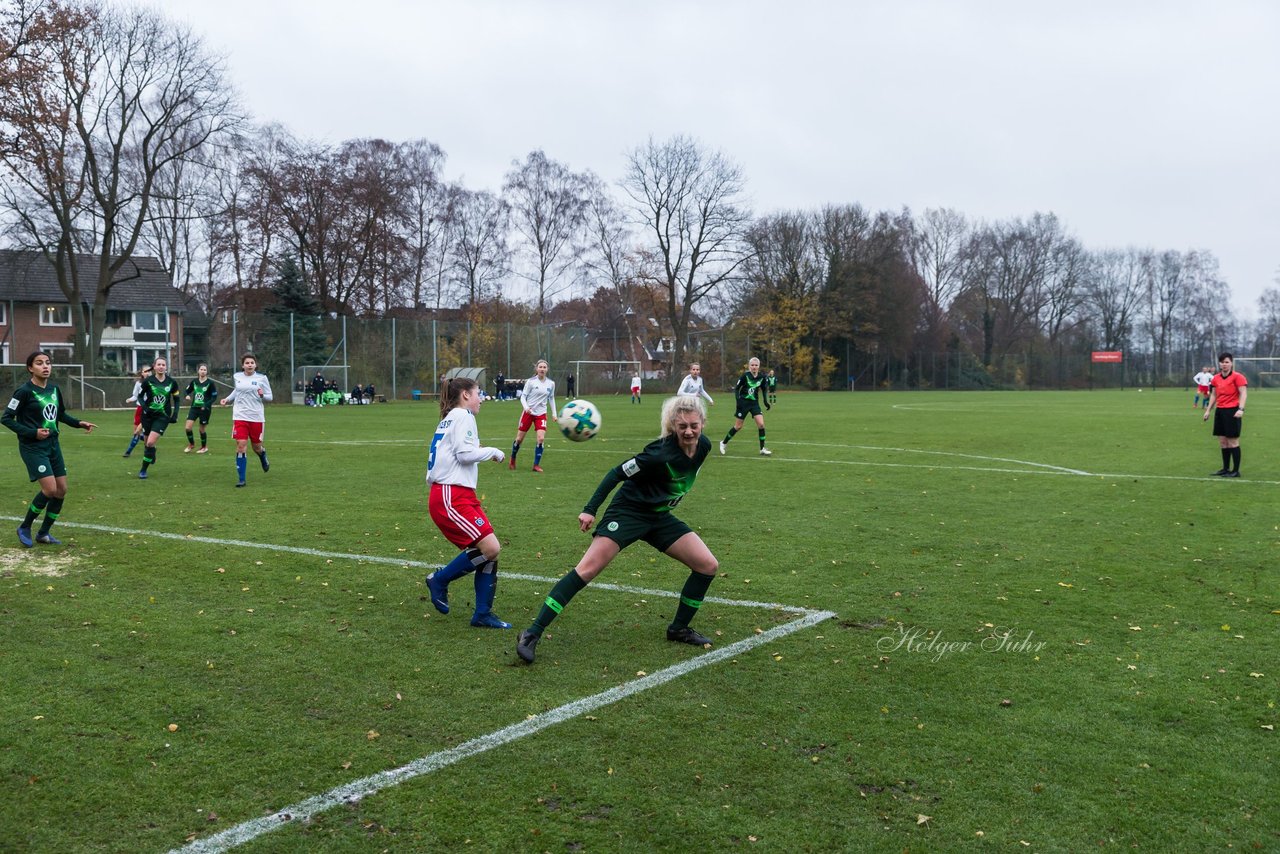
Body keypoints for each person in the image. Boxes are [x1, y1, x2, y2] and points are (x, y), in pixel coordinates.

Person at [517, 395, 718, 664]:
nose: (689, 431)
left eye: (694, 425)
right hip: (628, 513)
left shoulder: (704, 446)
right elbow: (616, 474)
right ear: (672, 426)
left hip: (659, 517)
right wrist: (590, 508)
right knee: (587, 569)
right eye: (682, 426)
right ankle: (532, 633)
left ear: (703, 423)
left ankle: (679, 629)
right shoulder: (657, 454)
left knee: (707, 565)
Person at [424, 377, 511, 629]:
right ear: (464, 395)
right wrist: (493, 451)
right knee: (491, 548)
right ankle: (439, 580)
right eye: (478, 393)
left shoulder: (450, 417)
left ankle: (483, 614)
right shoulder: (463, 416)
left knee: (489, 551)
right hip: (451, 496)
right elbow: (464, 455)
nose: (481, 398)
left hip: (455, 494)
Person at [2, 350, 97, 546]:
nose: (45, 366)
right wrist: (32, 432)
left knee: (61, 490)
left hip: (53, 445)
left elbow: (60, 414)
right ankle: (25, 527)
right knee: (50, 489)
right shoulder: (23, 392)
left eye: (47, 362)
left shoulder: (54, 389)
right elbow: (5, 418)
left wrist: (79, 423)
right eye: (39, 363)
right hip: (33, 447)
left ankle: (43, 533)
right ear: (30, 368)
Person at [220, 354, 273, 488]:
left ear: (255, 365)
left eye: (252, 362)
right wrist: (227, 399)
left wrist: (262, 395)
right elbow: (237, 391)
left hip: (256, 417)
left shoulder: (262, 378)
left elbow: (270, 397)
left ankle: (262, 455)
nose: (249, 365)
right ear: (243, 365)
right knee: (241, 445)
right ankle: (241, 479)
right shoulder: (237, 376)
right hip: (240, 415)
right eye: (247, 363)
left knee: (256, 447)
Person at [1202, 352, 1247, 478]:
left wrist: (1241, 409)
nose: (1224, 364)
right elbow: (1214, 395)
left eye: (1227, 362)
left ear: (1231, 363)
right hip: (1220, 411)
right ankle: (1225, 468)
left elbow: (1243, 393)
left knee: (1233, 441)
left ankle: (1235, 471)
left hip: (1232, 411)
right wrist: (1208, 411)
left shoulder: (1238, 377)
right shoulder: (1215, 378)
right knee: (1222, 441)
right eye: (1222, 362)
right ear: (1219, 364)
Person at [136, 357, 180, 479]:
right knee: (147, 444)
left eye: (163, 365)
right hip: (147, 416)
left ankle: (143, 470)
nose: (161, 366)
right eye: (159, 364)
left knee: (150, 442)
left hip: (162, 417)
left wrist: (175, 414)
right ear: (154, 367)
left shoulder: (172, 382)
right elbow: (140, 397)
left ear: (166, 367)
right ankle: (152, 452)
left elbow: (176, 399)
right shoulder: (148, 381)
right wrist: (145, 408)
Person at [719, 357, 772, 456]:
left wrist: (765, 402)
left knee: (761, 425)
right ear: (749, 366)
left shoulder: (762, 377)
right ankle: (723, 443)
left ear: (759, 366)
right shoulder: (745, 376)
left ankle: (762, 449)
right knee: (738, 426)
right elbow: (737, 389)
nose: (754, 367)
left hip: (754, 404)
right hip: (743, 403)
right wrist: (738, 401)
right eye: (752, 365)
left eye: (756, 365)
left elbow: (764, 389)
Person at [510, 359, 556, 473]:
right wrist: (526, 408)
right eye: (540, 367)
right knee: (519, 439)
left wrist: (554, 413)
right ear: (536, 369)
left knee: (541, 438)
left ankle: (536, 465)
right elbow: (523, 396)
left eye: (544, 367)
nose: (542, 369)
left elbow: (551, 398)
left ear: (547, 369)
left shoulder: (551, 383)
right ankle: (513, 458)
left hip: (541, 414)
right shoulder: (531, 382)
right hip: (528, 413)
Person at [183, 363, 216, 453]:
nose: (203, 371)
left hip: (205, 409)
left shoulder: (210, 383)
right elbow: (186, 391)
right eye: (201, 369)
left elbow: (214, 397)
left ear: (207, 371)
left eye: (204, 370)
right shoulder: (194, 382)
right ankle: (191, 444)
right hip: (194, 408)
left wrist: (206, 405)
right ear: (198, 371)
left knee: (201, 429)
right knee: (188, 428)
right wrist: (187, 396)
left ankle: (204, 447)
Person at [122, 364, 152, 457]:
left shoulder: (154, 383)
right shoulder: (138, 383)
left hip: (149, 410)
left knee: (140, 431)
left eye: (149, 371)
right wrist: (130, 399)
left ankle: (129, 451)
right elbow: (135, 396)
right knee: (136, 432)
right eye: (145, 371)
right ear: (142, 373)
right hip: (139, 409)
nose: (147, 373)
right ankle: (150, 445)